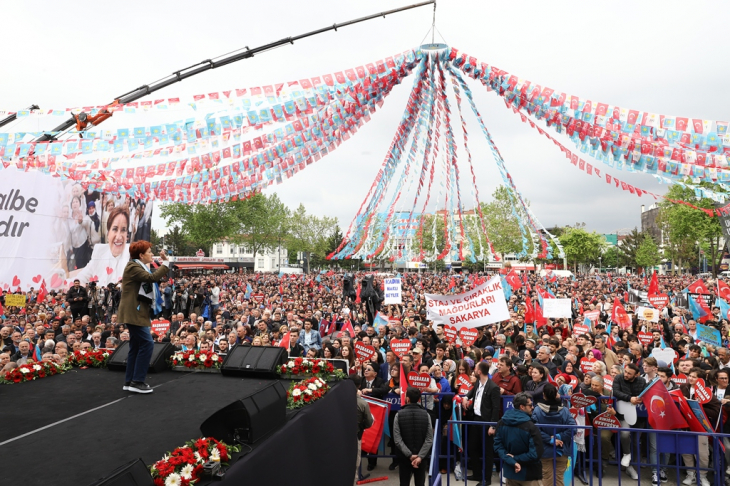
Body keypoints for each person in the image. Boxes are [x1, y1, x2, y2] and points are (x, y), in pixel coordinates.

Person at [117, 241, 169, 394]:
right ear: (141, 255)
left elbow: (150, 276)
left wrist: (162, 262)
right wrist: (165, 263)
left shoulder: (138, 266)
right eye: (149, 252)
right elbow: (151, 278)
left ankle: (130, 381)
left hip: (136, 311)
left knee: (136, 346)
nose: (152, 254)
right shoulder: (133, 267)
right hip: (134, 312)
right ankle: (137, 381)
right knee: (147, 344)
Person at [462, 361, 501, 485]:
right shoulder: (478, 382)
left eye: (475, 369)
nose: (473, 371)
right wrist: (466, 397)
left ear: (479, 371)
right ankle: (477, 474)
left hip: (486, 422)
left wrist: (492, 425)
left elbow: (496, 408)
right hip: (476, 419)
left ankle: (487, 479)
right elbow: (472, 392)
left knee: (487, 451)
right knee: (472, 447)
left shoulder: (493, 387)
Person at [493, 392, 544, 486]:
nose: (532, 407)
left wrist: (511, 460)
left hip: (511, 473)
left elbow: (498, 447)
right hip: (530, 475)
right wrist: (515, 459)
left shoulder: (501, 423)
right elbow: (536, 453)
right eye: (530, 405)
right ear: (522, 407)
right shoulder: (530, 427)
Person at [531, 384, 576, 486]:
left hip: (545, 450)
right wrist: (558, 437)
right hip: (562, 449)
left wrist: (551, 439)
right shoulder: (565, 410)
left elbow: (535, 430)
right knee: (559, 479)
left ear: (544, 395)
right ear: (557, 394)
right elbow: (573, 429)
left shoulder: (537, 410)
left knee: (547, 479)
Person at [74, 206, 131, 285]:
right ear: (108, 233)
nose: (118, 237)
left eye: (123, 230)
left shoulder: (133, 255)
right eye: (115, 229)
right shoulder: (99, 252)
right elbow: (81, 277)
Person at [393, 387, 434, 486]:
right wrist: (420, 457)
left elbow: (397, 439)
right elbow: (429, 439)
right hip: (421, 458)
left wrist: (409, 455)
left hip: (404, 457)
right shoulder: (426, 415)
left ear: (407, 399)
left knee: (404, 483)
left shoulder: (398, 415)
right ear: (419, 400)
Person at [352, 375, 374, 486]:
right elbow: (369, 422)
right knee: (355, 463)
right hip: (355, 436)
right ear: (359, 385)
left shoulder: (338, 400)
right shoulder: (362, 403)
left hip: (339, 436)